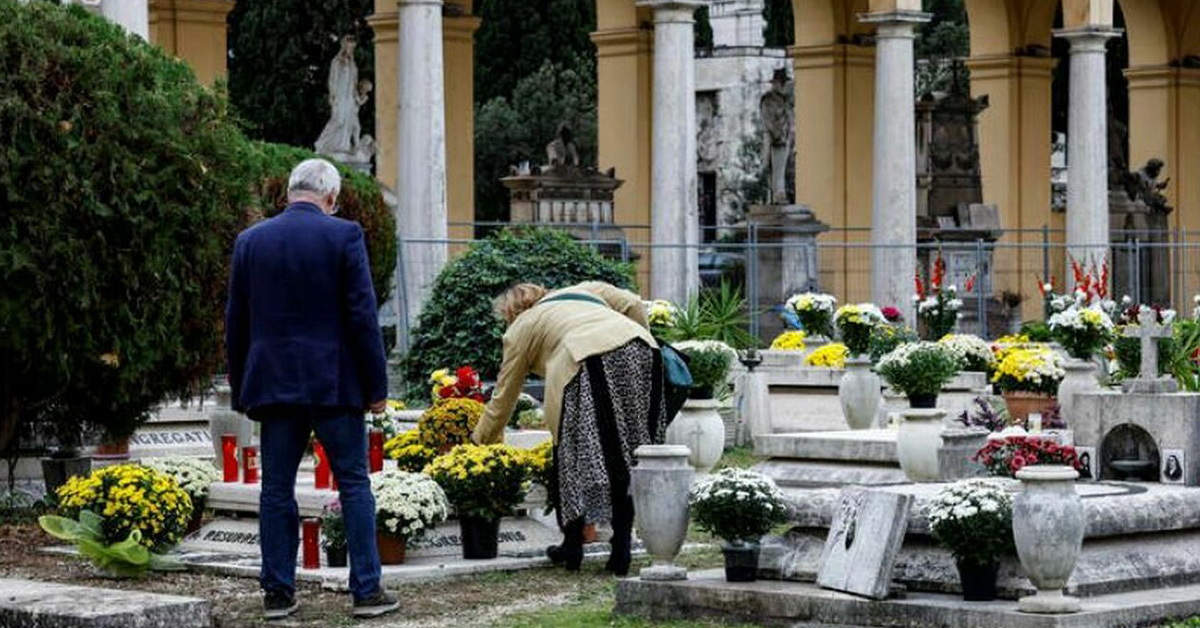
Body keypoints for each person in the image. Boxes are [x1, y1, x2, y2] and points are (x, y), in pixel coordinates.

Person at [225, 158, 398, 620]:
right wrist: (376, 387)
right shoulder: (344, 235)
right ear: (331, 198)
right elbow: (362, 316)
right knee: (354, 484)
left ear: (288, 193)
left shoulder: (250, 241)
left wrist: (241, 384)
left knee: (275, 490)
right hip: (333, 382)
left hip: (273, 383)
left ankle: (278, 594)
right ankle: (366, 591)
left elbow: (236, 323)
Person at [472, 282, 666, 575]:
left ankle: (573, 546)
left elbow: (504, 397)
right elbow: (633, 303)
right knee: (630, 451)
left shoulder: (521, 327)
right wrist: (637, 336)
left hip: (586, 360)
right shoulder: (587, 289)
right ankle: (621, 548)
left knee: (570, 455)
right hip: (642, 350)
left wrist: (479, 440)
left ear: (512, 312)